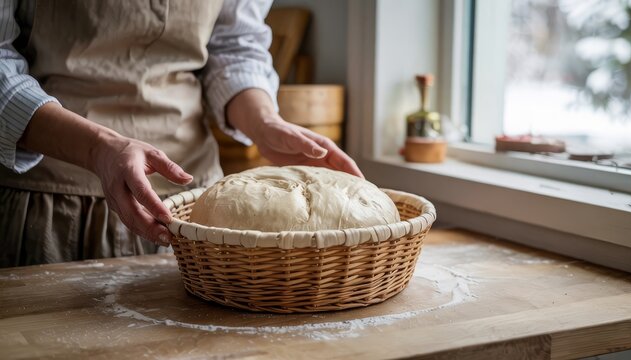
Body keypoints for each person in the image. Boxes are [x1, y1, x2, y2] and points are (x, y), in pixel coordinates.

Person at [0, 0, 362, 267]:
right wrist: (99, 148)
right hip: (54, 202)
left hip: (198, 213)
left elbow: (234, 47)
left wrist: (264, 123)